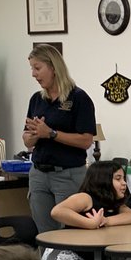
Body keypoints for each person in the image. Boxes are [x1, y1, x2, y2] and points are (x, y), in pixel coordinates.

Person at [22, 45, 97, 233]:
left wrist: (51, 134)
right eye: (32, 68)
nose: (33, 74)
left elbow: (86, 141)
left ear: (53, 67)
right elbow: (27, 140)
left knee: (69, 233)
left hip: (68, 175)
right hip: (39, 173)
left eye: (37, 68)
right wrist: (33, 136)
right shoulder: (36, 99)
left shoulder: (79, 98)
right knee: (44, 234)